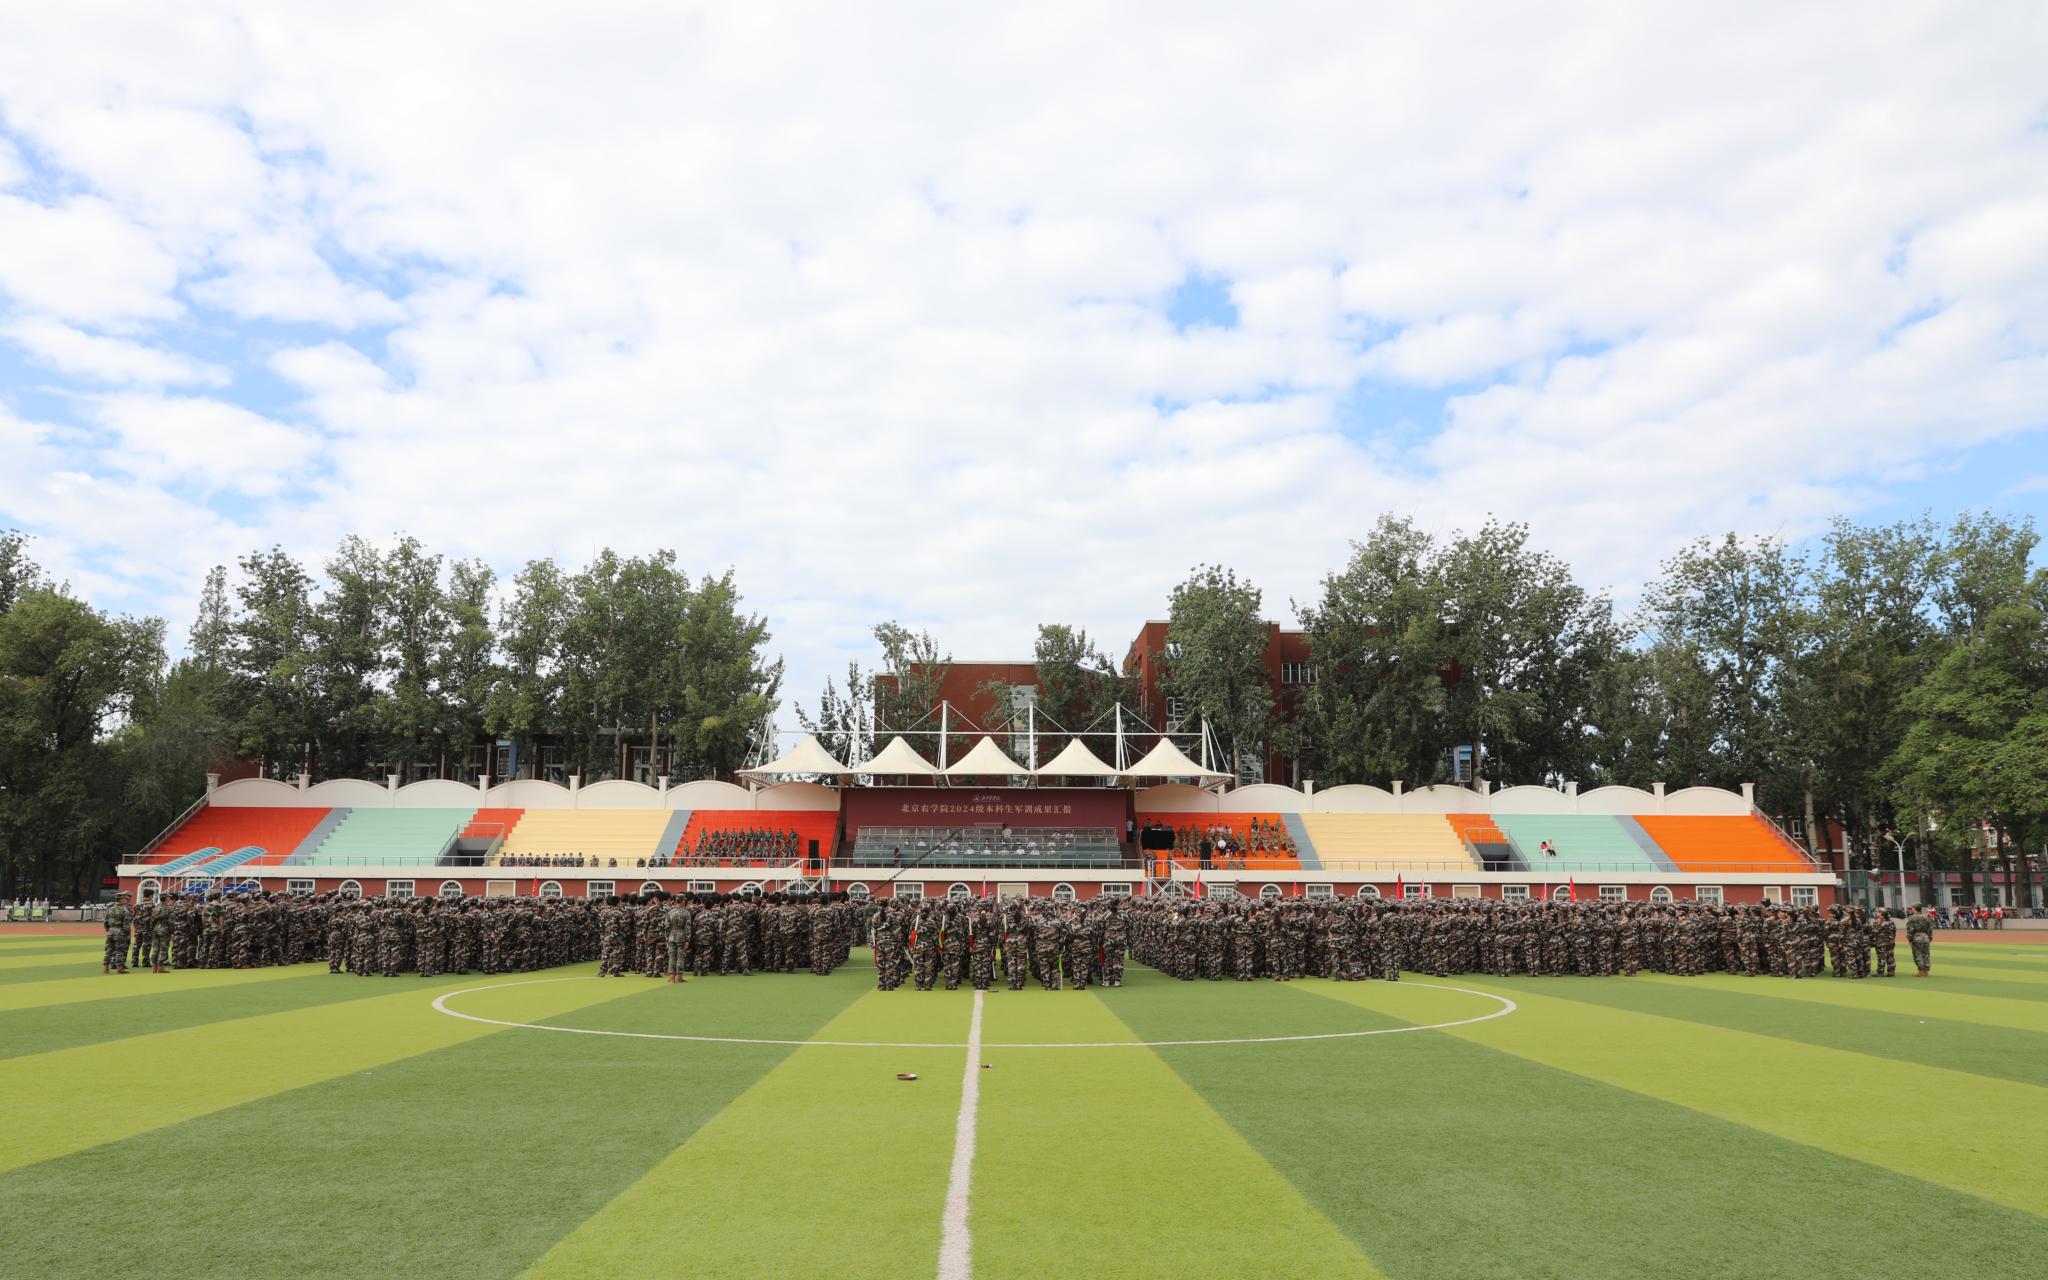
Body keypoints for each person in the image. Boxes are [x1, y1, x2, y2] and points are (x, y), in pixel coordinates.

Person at [1906, 904, 1934, 977]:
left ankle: (1921, 972)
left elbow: (1910, 930)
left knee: (1918, 954)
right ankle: (1926, 971)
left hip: (1917, 937)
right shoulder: (1926, 917)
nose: (1911, 909)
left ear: (1915, 908)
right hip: (1925, 937)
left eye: (1912, 908)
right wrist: (1930, 937)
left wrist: (1909, 939)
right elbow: (1930, 929)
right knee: (1926, 954)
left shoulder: (1912, 918)